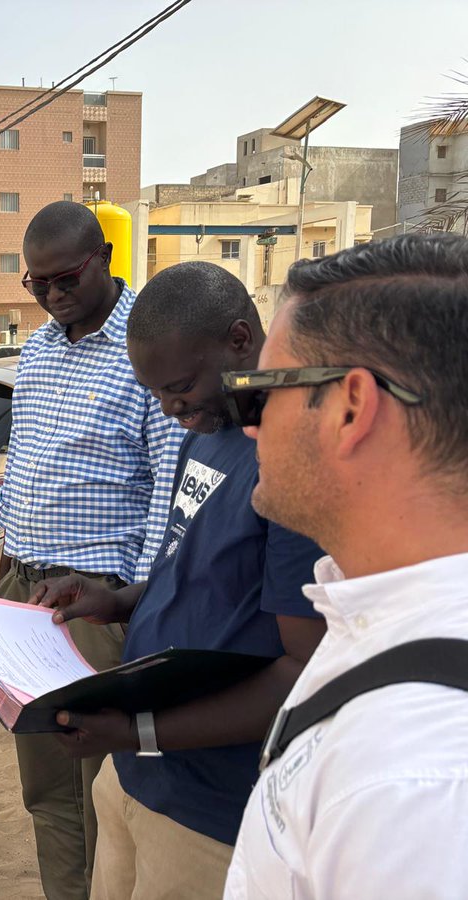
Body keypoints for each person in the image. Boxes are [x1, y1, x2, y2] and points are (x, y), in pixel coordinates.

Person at [35, 262, 326, 899]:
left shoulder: (289, 464)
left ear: (241, 341)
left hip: (209, 813)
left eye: (182, 386)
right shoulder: (211, 434)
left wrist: (139, 732)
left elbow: (304, 677)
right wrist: (114, 601)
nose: (171, 410)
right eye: (157, 394)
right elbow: (188, 572)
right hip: (133, 781)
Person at [222, 234, 468, 898]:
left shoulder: (413, 777)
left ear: (350, 406)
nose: (248, 426)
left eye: (257, 393)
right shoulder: (378, 619)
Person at [0, 200, 182, 900]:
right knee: (45, 788)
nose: (50, 296)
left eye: (64, 279)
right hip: (24, 597)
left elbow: (167, 486)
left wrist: (133, 604)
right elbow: (28, 456)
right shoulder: (39, 347)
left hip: (100, 602)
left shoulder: (151, 342)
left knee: (106, 787)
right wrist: (8, 567)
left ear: (103, 257)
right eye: (35, 285)